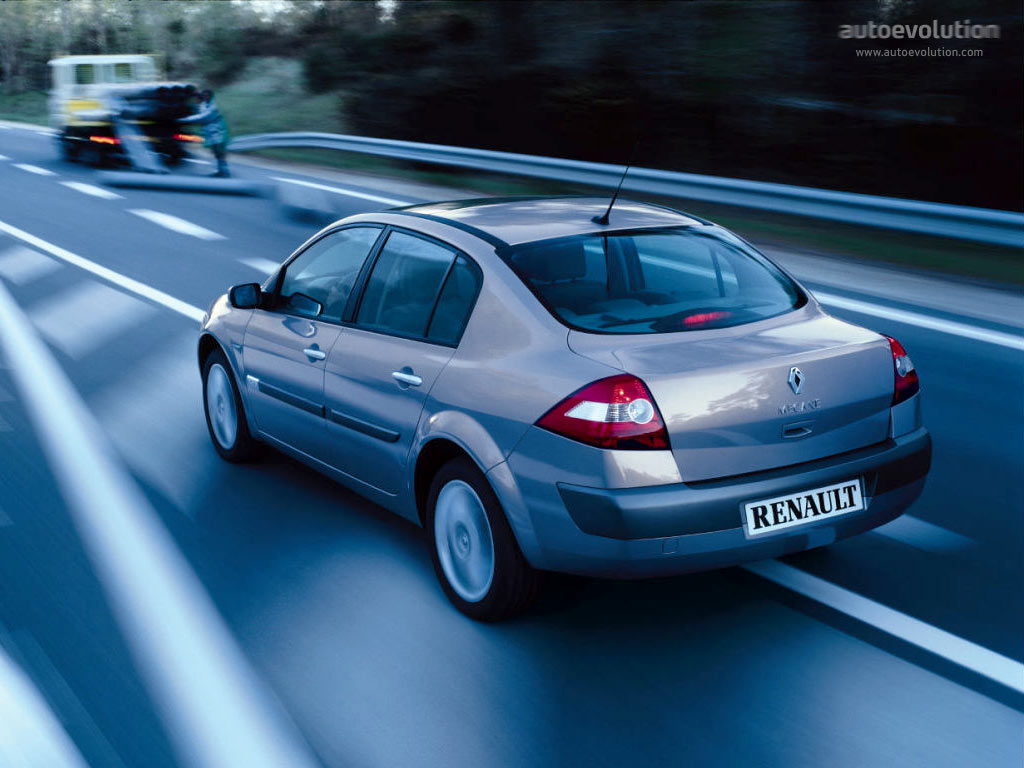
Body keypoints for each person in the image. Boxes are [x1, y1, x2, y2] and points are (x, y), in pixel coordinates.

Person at [181, 89, 231, 177]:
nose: (205, 97)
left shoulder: (212, 107)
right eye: (204, 95)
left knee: (219, 151)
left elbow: (201, 117)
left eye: (207, 95)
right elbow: (199, 99)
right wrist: (196, 93)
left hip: (218, 131)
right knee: (215, 151)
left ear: (210, 96)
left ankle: (224, 171)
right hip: (211, 132)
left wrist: (182, 119)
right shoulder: (204, 104)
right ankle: (222, 170)